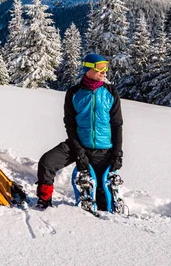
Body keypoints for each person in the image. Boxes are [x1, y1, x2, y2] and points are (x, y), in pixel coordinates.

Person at [36, 53, 123, 210]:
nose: (104, 72)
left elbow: (117, 124)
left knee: (102, 203)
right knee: (47, 162)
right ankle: (44, 201)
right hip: (78, 144)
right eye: (100, 68)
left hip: (103, 150)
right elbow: (70, 125)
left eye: (106, 68)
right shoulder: (74, 93)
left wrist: (117, 153)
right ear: (88, 69)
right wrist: (79, 152)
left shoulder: (110, 92)